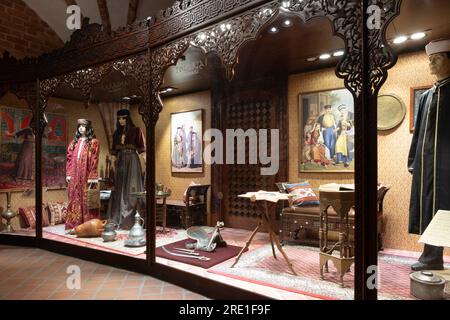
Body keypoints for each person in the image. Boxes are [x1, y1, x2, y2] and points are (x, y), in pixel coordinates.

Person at [408, 38, 450, 271]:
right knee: (428, 208)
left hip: (446, 165)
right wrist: (413, 160)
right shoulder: (426, 96)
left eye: (437, 59)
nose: (431, 64)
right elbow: (417, 135)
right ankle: (431, 256)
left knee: (446, 207)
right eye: (429, 60)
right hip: (426, 165)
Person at [109, 109, 146, 229]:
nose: (121, 121)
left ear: (128, 118)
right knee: (120, 190)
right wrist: (113, 167)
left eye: (123, 118)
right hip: (120, 163)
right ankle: (119, 218)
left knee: (132, 188)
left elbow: (142, 150)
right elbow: (114, 153)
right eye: (119, 118)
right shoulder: (116, 134)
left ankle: (131, 220)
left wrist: (146, 162)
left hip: (132, 161)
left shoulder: (136, 131)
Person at [65, 119, 100, 230]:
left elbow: (94, 159)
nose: (81, 128)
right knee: (74, 196)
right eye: (79, 126)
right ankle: (74, 224)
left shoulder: (93, 142)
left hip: (86, 175)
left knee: (87, 199)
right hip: (75, 174)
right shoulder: (73, 143)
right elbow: (69, 159)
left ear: (88, 128)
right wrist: (69, 174)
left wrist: (92, 176)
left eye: (83, 126)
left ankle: (88, 226)